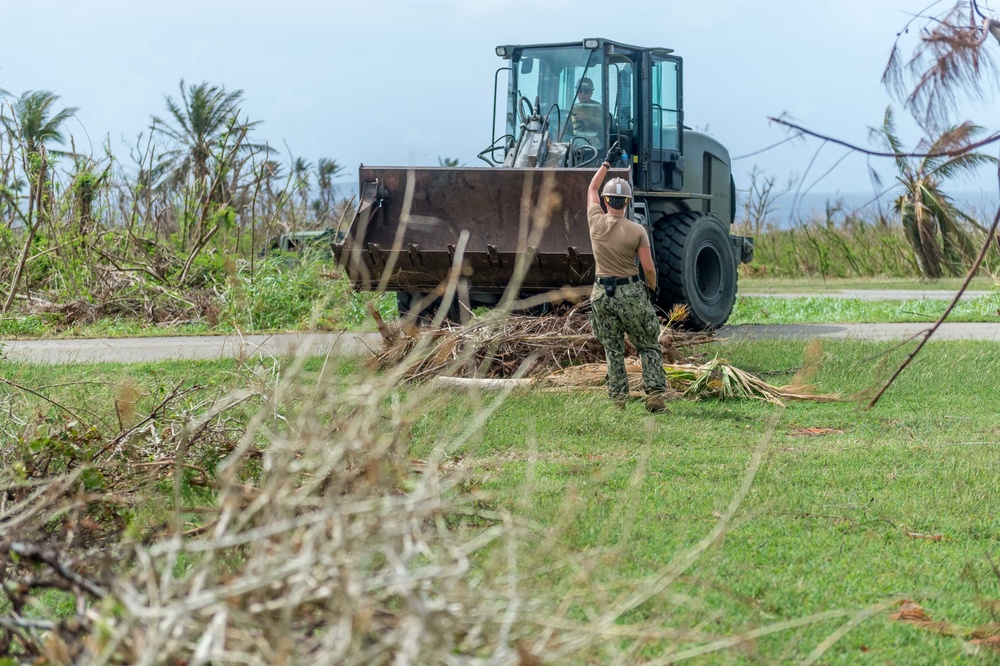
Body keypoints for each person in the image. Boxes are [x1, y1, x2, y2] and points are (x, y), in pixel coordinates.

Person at [586, 144, 668, 412]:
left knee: (613, 349)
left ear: (607, 201)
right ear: (628, 202)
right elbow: (649, 268)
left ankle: (619, 401)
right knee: (647, 344)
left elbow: (591, 190)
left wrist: (606, 164)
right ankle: (655, 396)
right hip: (630, 293)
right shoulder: (637, 231)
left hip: (601, 294)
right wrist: (653, 291)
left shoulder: (595, 221)